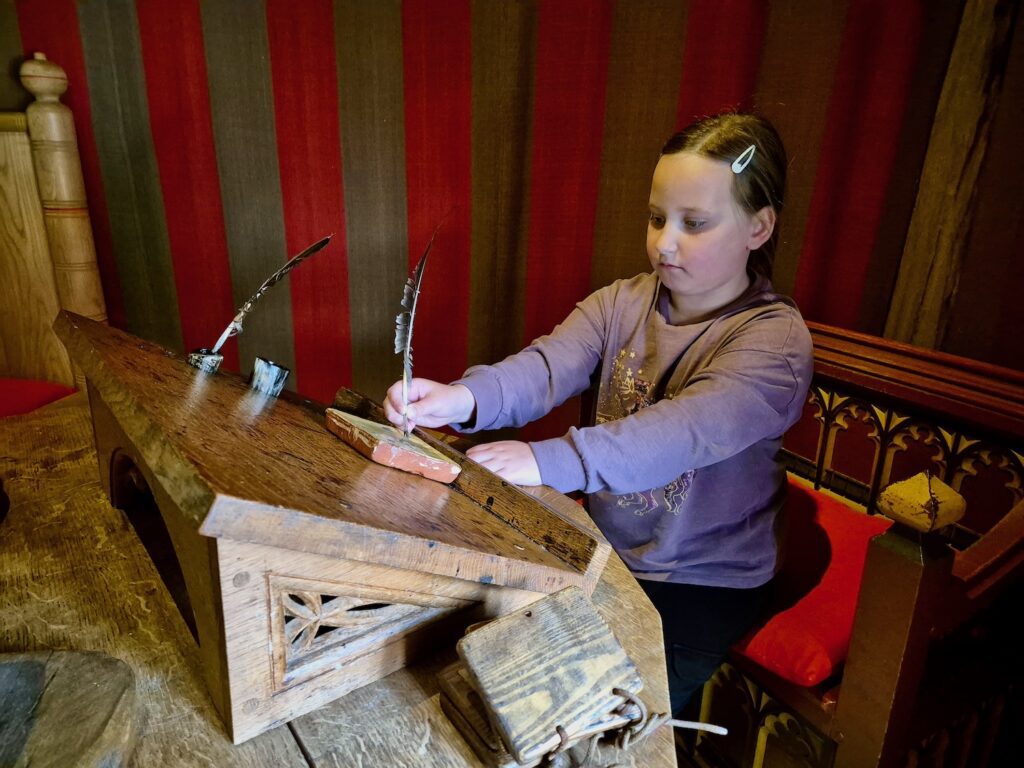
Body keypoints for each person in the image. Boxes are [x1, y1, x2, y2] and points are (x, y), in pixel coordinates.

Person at [384, 112, 813, 717]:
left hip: (701, 582)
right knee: (479, 675)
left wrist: (548, 459)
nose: (664, 242)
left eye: (695, 224)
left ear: (759, 226)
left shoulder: (773, 342)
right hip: (606, 547)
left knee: (591, 720)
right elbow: (544, 368)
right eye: (657, 217)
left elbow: (678, 434)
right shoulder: (622, 302)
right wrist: (461, 398)